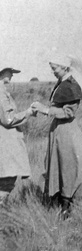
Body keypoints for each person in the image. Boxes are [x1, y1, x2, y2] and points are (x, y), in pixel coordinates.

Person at [31, 54, 82, 218]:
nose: (52, 71)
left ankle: (66, 206)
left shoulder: (71, 85)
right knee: (56, 164)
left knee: (67, 165)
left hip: (66, 130)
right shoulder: (62, 83)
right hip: (58, 130)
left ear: (64, 67)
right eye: (52, 68)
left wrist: (45, 110)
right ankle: (57, 200)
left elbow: (68, 112)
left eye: (55, 68)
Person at [0, 67, 35, 202]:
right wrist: (28, 113)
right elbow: (8, 119)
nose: (11, 78)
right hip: (5, 141)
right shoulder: (1, 92)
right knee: (7, 178)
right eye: (9, 75)